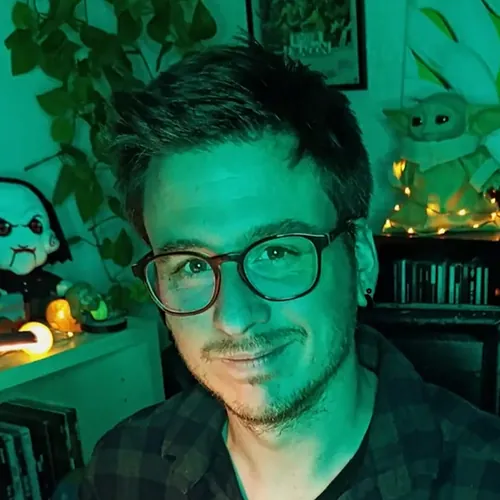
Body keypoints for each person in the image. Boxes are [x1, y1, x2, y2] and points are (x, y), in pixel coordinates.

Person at [79, 38, 500, 500]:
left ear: (360, 258)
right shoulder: (124, 469)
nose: (234, 316)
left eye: (276, 253)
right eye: (192, 265)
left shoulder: (483, 477)